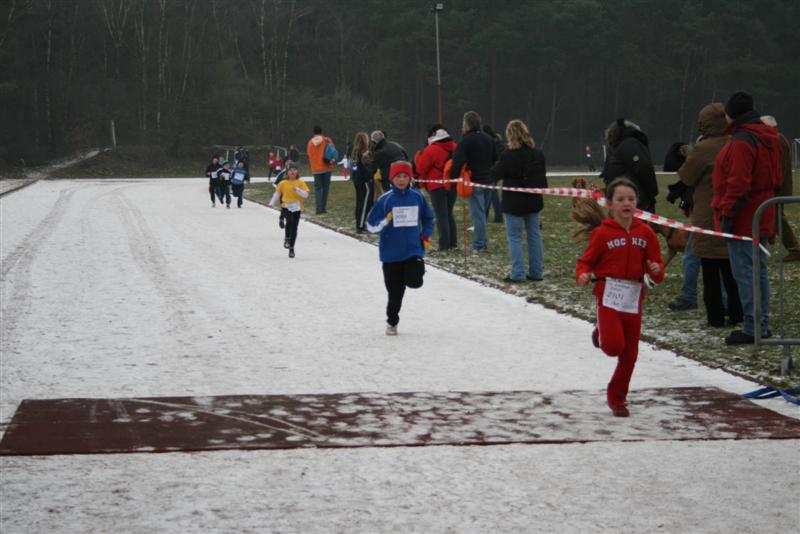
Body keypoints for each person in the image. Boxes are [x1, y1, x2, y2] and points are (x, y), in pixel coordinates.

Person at [576, 177, 665, 417]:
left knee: (630, 354)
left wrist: (655, 270)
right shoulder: (602, 233)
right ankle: (601, 333)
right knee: (614, 347)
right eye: (621, 199)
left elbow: (657, 267)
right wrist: (583, 275)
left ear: (637, 202)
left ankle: (617, 398)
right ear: (609, 204)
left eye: (631, 199)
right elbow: (586, 261)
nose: (627, 203)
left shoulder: (646, 232)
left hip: (633, 298)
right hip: (609, 296)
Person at [712, 91, 782, 345]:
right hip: (761, 212)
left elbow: (738, 181)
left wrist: (728, 212)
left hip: (745, 217)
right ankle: (760, 324)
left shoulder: (742, 141)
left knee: (746, 274)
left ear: (732, 115)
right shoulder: (765, 136)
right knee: (757, 272)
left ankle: (754, 326)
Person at [674, 103, 743, 328]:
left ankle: (715, 316)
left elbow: (687, 176)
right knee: (732, 270)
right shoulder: (736, 142)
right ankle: (737, 313)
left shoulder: (704, 148)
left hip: (707, 213)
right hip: (733, 211)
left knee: (710, 270)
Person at [367, 161, 434, 336]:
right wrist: (386, 221)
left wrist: (425, 235)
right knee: (395, 294)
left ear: (410, 178)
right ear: (392, 178)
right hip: (391, 254)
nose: (402, 180)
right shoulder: (385, 200)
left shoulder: (417, 197)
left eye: (405, 176)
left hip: (413, 250)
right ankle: (392, 321)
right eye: (398, 176)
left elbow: (429, 218)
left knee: (415, 280)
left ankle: (410, 272)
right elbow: (371, 226)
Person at [491, 119, 547, 282]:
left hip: (513, 203)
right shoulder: (538, 154)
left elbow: (495, 174)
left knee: (515, 237)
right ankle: (537, 272)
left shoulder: (508, 155)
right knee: (534, 236)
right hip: (533, 201)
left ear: (510, 135)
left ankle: (518, 273)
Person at [449, 111, 498, 253]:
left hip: (475, 182)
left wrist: (453, 177)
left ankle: (479, 245)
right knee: (483, 214)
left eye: (463, 124)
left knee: (478, 215)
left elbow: (457, 161)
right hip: (489, 181)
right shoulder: (489, 139)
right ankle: (483, 242)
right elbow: (496, 159)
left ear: (467, 125)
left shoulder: (466, 141)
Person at [761, 115, 800, 262]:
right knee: (773, 217)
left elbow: (779, 166)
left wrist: (773, 185)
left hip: (778, 188)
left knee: (777, 218)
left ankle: (794, 249)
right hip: (777, 187)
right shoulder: (777, 138)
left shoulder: (777, 140)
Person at [415, 125, 458, 251]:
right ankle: (453, 243)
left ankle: (444, 245)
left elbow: (421, 169)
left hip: (437, 186)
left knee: (441, 216)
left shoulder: (431, 149)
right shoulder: (456, 147)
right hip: (452, 184)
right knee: (449, 214)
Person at [600, 119, 659, 211]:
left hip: (622, 199)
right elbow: (645, 169)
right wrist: (652, 193)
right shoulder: (630, 144)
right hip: (637, 200)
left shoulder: (615, 148)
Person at [269, 162, 310, 258]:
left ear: (297, 172)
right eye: (290, 170)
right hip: (286, 206)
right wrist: (272, 203)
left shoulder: (300, 183)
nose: (292, 172)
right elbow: (277, 194)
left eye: (294, 170)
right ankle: (287, 237)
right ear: (287, 172)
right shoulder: (283, 183)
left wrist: (298, 190)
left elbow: (306, 195)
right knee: (289, 223)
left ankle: (292, 248)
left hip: (297, 207)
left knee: (294, 227)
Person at [306, 126, 336, 214]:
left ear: (314, 132)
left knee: (318, 189)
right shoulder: (327, 140)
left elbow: (309, 154)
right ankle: (323, 207)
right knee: (325, 188)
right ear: (321, 131)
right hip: (327, 167)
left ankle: (318, 208)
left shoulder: (310, 143)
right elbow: (333, 152)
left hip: (316, 169)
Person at [351, 132, 373, 233]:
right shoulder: (364, 152)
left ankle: (359, 223)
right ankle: (360, 226)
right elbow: (366, 167)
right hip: (364, 180)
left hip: (357, 179)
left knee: (359, 202)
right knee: (364, 204)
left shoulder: (355, 151)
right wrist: (370, 175)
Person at [483, 124, 505, 223]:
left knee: (491, 194)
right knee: (492, 193)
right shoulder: (499, 143)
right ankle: (496, 215)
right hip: (496, 170)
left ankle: (489, 215)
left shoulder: (488, 142)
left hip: (491, 171)